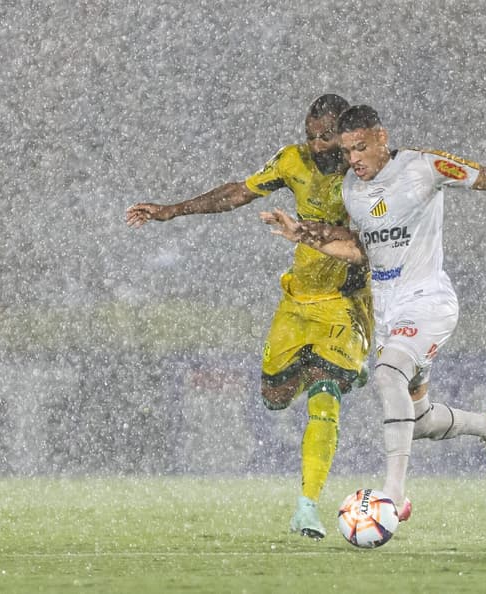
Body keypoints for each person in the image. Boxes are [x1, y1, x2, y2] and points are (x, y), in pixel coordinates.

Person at [261, 104, 486, 518]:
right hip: (391, 313)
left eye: (360, 147)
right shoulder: (352, 192)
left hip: (429, 301)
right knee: (420, 418)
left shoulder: (423, 167)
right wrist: (301, 234)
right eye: (347, 151)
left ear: (381, 138)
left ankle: (392, 497)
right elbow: (362, 249)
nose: (353, 159)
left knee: (387, 373)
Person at [125, 94, 373, 538]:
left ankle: (307, 506)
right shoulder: (292, 162)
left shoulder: (367, 175)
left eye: (328, 135)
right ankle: (326, 370)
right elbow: (238, 192)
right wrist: (173, 210)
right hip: (298, 300)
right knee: (274, 397)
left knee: (324, 397)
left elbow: (367, 242)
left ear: (348, 134)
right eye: (311, 135)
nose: (318, 145)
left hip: (343, 303)